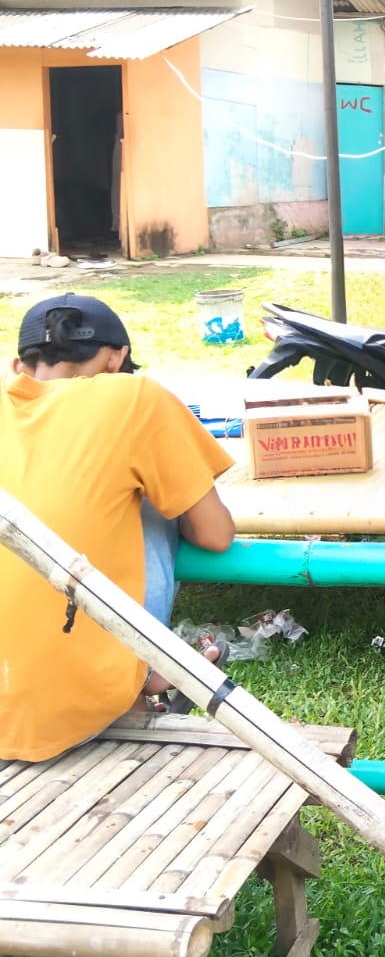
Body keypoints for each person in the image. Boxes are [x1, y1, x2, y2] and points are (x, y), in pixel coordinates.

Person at [1, 294, 236, 763]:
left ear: (18, 367)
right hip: (69, 711)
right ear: (116, 358)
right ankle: (144, 668)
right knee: (151, 507)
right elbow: (215, 534)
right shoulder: (134, 396)